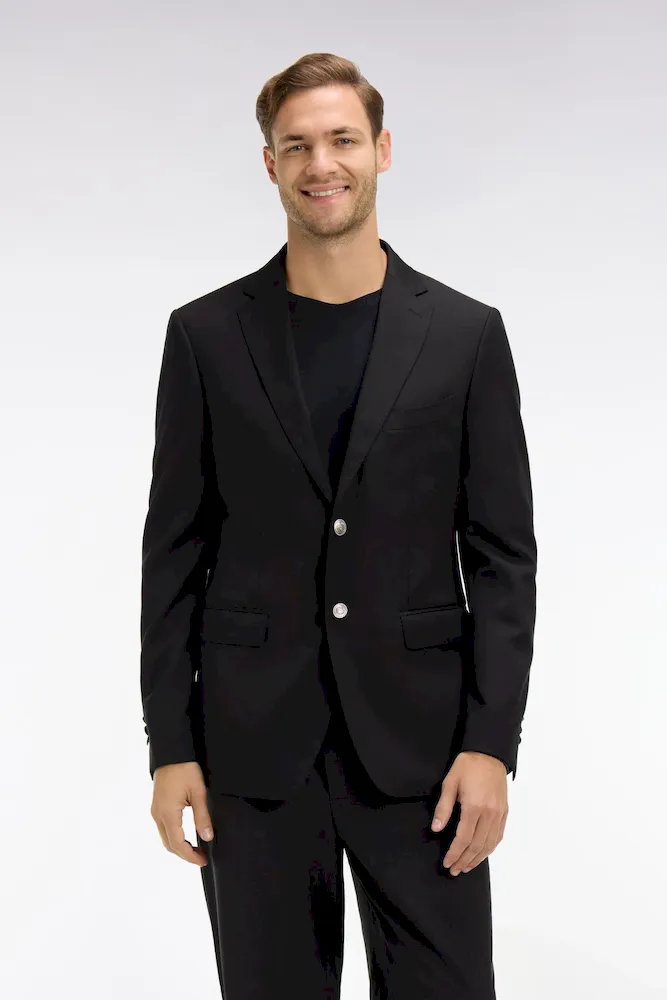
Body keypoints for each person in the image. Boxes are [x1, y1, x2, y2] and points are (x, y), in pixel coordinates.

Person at [140, 51, 537, 1000]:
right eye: (297, 146)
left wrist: (491, 745)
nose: (322, 163)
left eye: (342, 140)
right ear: (269, 164)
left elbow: (501, 559)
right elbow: (173, 554)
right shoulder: (205, 335)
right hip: (251, 752)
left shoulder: (464, 335)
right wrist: (171, 747)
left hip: (424, 754)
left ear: (382, 150)